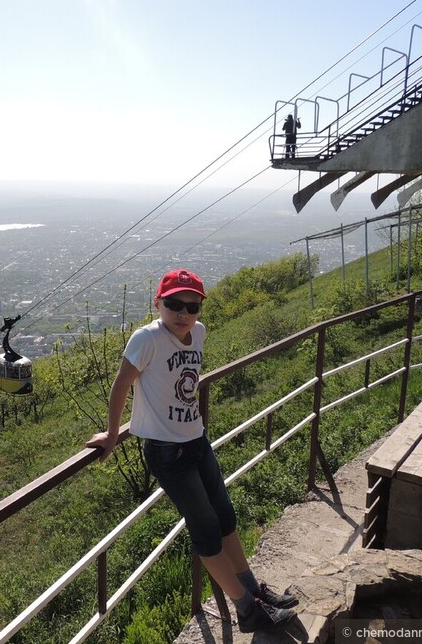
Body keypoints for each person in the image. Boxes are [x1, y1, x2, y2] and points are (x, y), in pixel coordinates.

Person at [86, 269, 298, 633]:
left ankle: (253, 590)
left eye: (192, 306)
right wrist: (110, 433)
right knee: (205, 528)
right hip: (167, 453)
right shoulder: (147, 338)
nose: (183, 313)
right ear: (159, 304)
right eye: (174, 304)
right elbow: (121, 384)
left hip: (196, 441)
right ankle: (247, 609)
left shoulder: (198, 333)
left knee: (225, 517)